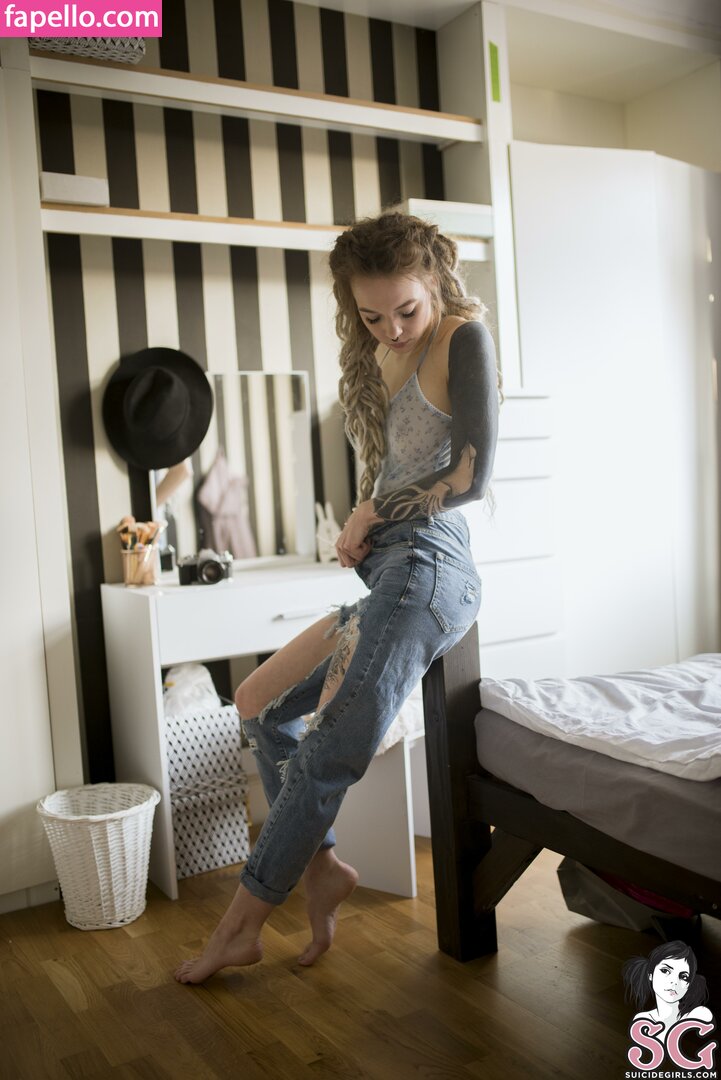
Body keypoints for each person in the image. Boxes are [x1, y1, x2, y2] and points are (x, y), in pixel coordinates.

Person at [174, 211, 502, 984]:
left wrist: (368, 512)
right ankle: (321, 870)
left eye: (406, 310)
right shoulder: (375, 355)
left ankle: (238, 929)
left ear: (435, 280)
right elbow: (392, 468)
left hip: (427, 570)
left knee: (326, 754)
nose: (392, 329)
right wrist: (364, 522)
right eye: (372, 316)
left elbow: (470, 476)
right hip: (387, 575)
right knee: (258, 705)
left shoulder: (461, 338)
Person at [623, 940, 713, 1043]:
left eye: (683, 977)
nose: (674, 982)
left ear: (689, 984)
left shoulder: (700, 1015)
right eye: (665, 971)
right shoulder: (642, 1020)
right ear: (650, 974)